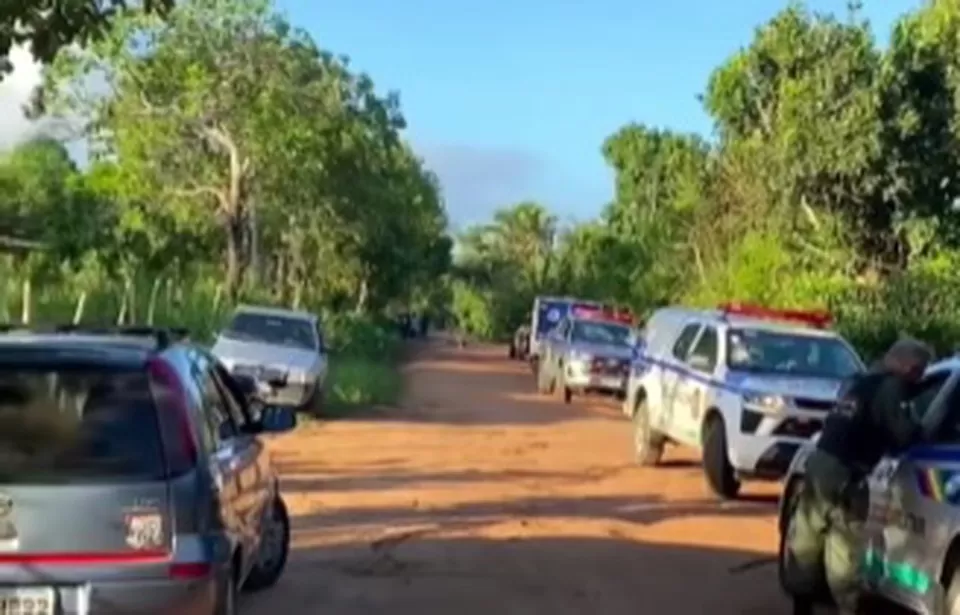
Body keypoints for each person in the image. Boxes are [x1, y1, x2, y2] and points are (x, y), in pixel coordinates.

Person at [784, 337, 935, 615]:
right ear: (909, 366)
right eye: (919, 370)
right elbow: (903, 434)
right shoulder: (892, 388)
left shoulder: (862, 383)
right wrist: (924, 429)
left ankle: (801, 606)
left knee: (807, 539)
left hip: (819, 462)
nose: (919, 376)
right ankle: (848, 607)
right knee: (845, 549)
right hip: (846, 473)